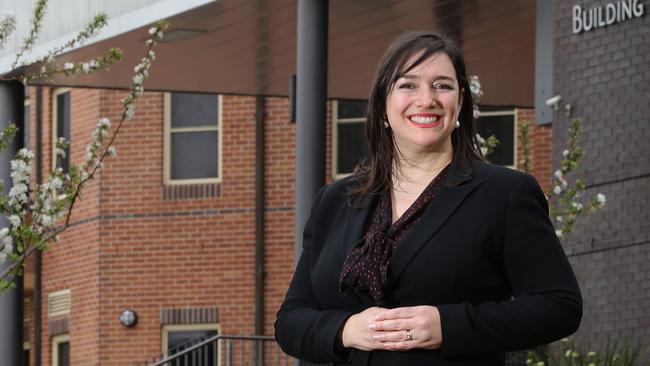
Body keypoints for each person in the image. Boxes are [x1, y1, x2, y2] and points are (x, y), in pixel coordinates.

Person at [275, 31, 582, 365]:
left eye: (442, 85)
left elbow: (559, 305)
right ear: (382, 103)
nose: (426, 100)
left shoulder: (505, 193)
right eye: (408, 85)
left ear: (460, 101)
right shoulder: (334, 201)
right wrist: (346, 330)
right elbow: (291, 321)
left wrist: (448, 326)